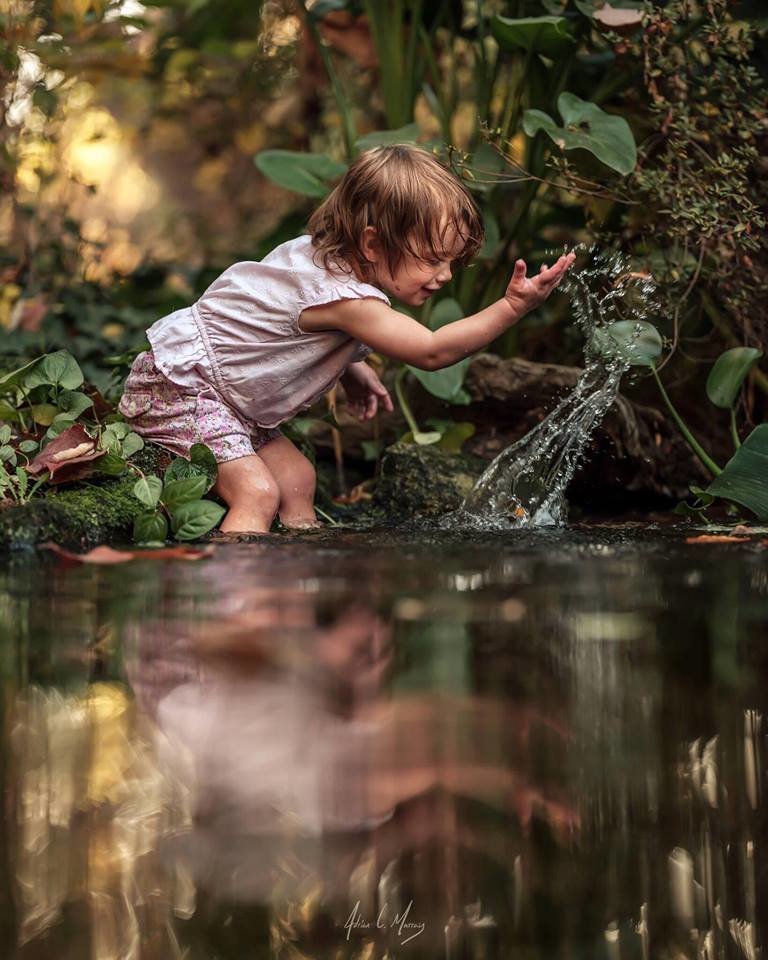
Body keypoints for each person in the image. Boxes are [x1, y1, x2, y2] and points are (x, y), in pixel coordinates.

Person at [119, 144, 576, 533]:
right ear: (373, 245)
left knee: (297, 481)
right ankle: (236, 614)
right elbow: (432, 352)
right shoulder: (345, 299)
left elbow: (282, 330)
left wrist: (352, 369)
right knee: (257, 493)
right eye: (434, 259)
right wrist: (514, 306)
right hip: (183, 390)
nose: (445, 276)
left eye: (452, 262)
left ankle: (295, 582)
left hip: (229, 400)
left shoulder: (323, 262)